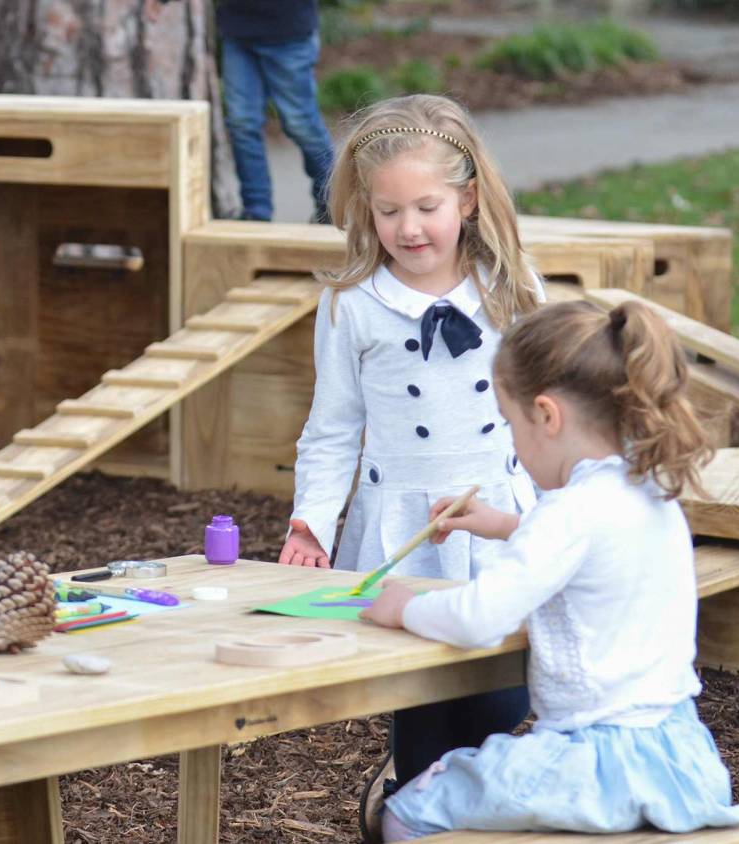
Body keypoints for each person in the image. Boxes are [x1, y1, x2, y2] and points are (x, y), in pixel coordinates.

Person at [359, 299, 739, 840]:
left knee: (409, 807)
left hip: (591, 768)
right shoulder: (650, 493)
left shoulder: (568, 512)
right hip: (681, 760)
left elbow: (480, 618)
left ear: (547, 416)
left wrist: (406, 606)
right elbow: (595, 549)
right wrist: (503, 524)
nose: (515, 446)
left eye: (510, 425)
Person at [275, 94, 544, 841]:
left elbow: (552, 409)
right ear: (366, 210)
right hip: (403, 528)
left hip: (492, 517)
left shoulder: (513, 286)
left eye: (426, 206)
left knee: (499, 689)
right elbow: (331, 433)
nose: (409, 228)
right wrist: (310, 523)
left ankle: (473, 806)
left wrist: (561, 507)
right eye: (389, 211)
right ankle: (411, 809)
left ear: (466, 197)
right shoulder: (352, 306)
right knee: (424, 693)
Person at [146, 0, 336, 222]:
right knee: (241, 123)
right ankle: (256, 210)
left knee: (300, 123)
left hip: (289, 34)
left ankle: (331, 202)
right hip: (238, 33)